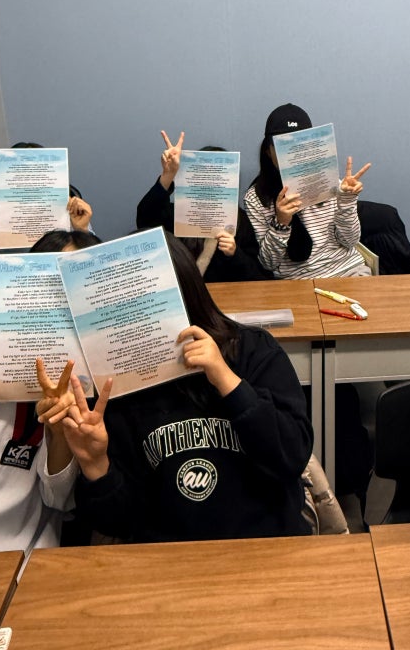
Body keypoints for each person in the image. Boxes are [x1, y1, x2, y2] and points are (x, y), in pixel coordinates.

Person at [62, 232, 314, 543]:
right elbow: (119, 523)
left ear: (185, 291)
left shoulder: (250, 350)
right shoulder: (116, 388)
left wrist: (228, 382)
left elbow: (292, 455)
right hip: (169, 557)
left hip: (266, 543)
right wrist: (95, 465)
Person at [0, 228, 100, 556]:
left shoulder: (92, 377)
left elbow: (58, 499)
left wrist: (59, 434)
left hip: (11, 536)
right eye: (52, 284)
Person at [0, 141, 93, 308]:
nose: (33, 190)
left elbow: (93, 285)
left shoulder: (74, 224)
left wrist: (82, 231)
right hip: (23, 313)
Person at [243, 104, 372, 279]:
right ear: (268, 151)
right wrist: (281, 223)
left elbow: (350, 241)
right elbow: (268, 263)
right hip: (296, 281)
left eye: (300, 146)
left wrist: (347, 201)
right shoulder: (256, 198)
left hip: (347, 270)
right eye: (284, 147)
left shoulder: (328, 181)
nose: (292, 155)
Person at [136, 129, 271, 281]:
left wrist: (234, 253)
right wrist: (168, 176)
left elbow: (256, 276)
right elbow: (144, 221)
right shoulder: (180, 214)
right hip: (185, 291)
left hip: (224, 293)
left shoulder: (240, 223)